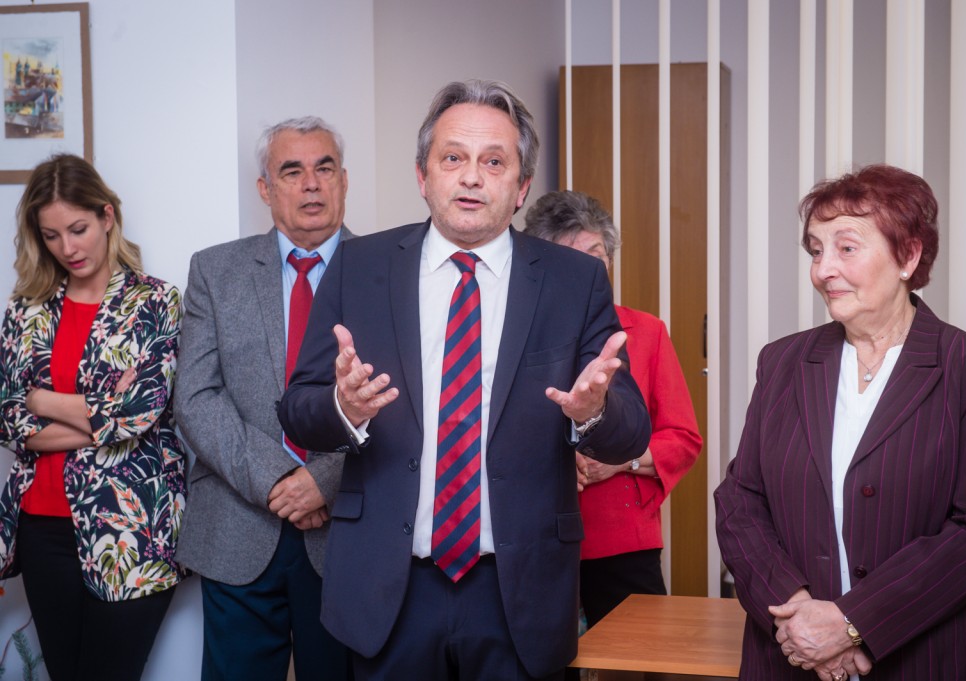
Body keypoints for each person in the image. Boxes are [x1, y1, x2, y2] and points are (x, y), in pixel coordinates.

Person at [278, 80, 652, 681]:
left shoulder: (574, 280)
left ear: (522, 186)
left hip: (518, 589)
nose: (472, 177)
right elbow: (298, 408)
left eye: (494, 162)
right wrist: (344, 407)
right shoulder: (360, 266)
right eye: (453, 157)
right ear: (423, 176)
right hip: (388, 588)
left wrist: (593, 411)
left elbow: (631, 432)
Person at [714, 164, 966, 680]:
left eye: (846, 248)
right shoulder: (782, 361)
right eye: (816, 251)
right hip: (790, 657)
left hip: (926, 662)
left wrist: (852, 625)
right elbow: (740, 501)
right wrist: (798, 616)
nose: (823, 270)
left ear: (908, 256)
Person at [174, 116, 354, 681]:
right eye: (292, 171)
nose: (311, 184)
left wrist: (322, 480)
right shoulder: (215, 270)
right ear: (265, 188)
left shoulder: (388, 271)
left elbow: (407, 403)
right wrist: (280, 480)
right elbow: (196, 397)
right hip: (238, 524)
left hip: (349, 528)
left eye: (324, 168)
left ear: (344, 180)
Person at [0, 154, 186, 681]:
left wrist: (41, 400)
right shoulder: (26, 309)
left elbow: (141, 412)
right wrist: (102, 412)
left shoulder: (156, 301)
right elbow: (7, 418)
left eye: (78, 229)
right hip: (41, 526)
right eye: (52, 236)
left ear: (107, 216)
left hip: (132, 527)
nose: (68, 248)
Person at [523, 190, 702, 629]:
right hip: (532, 537)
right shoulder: (518, 334)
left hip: (623, 539)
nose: (588, 268)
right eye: (571, 256)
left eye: (597, 255)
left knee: (639, 656)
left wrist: (621, 461)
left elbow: (682, 438)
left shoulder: (647, 331)